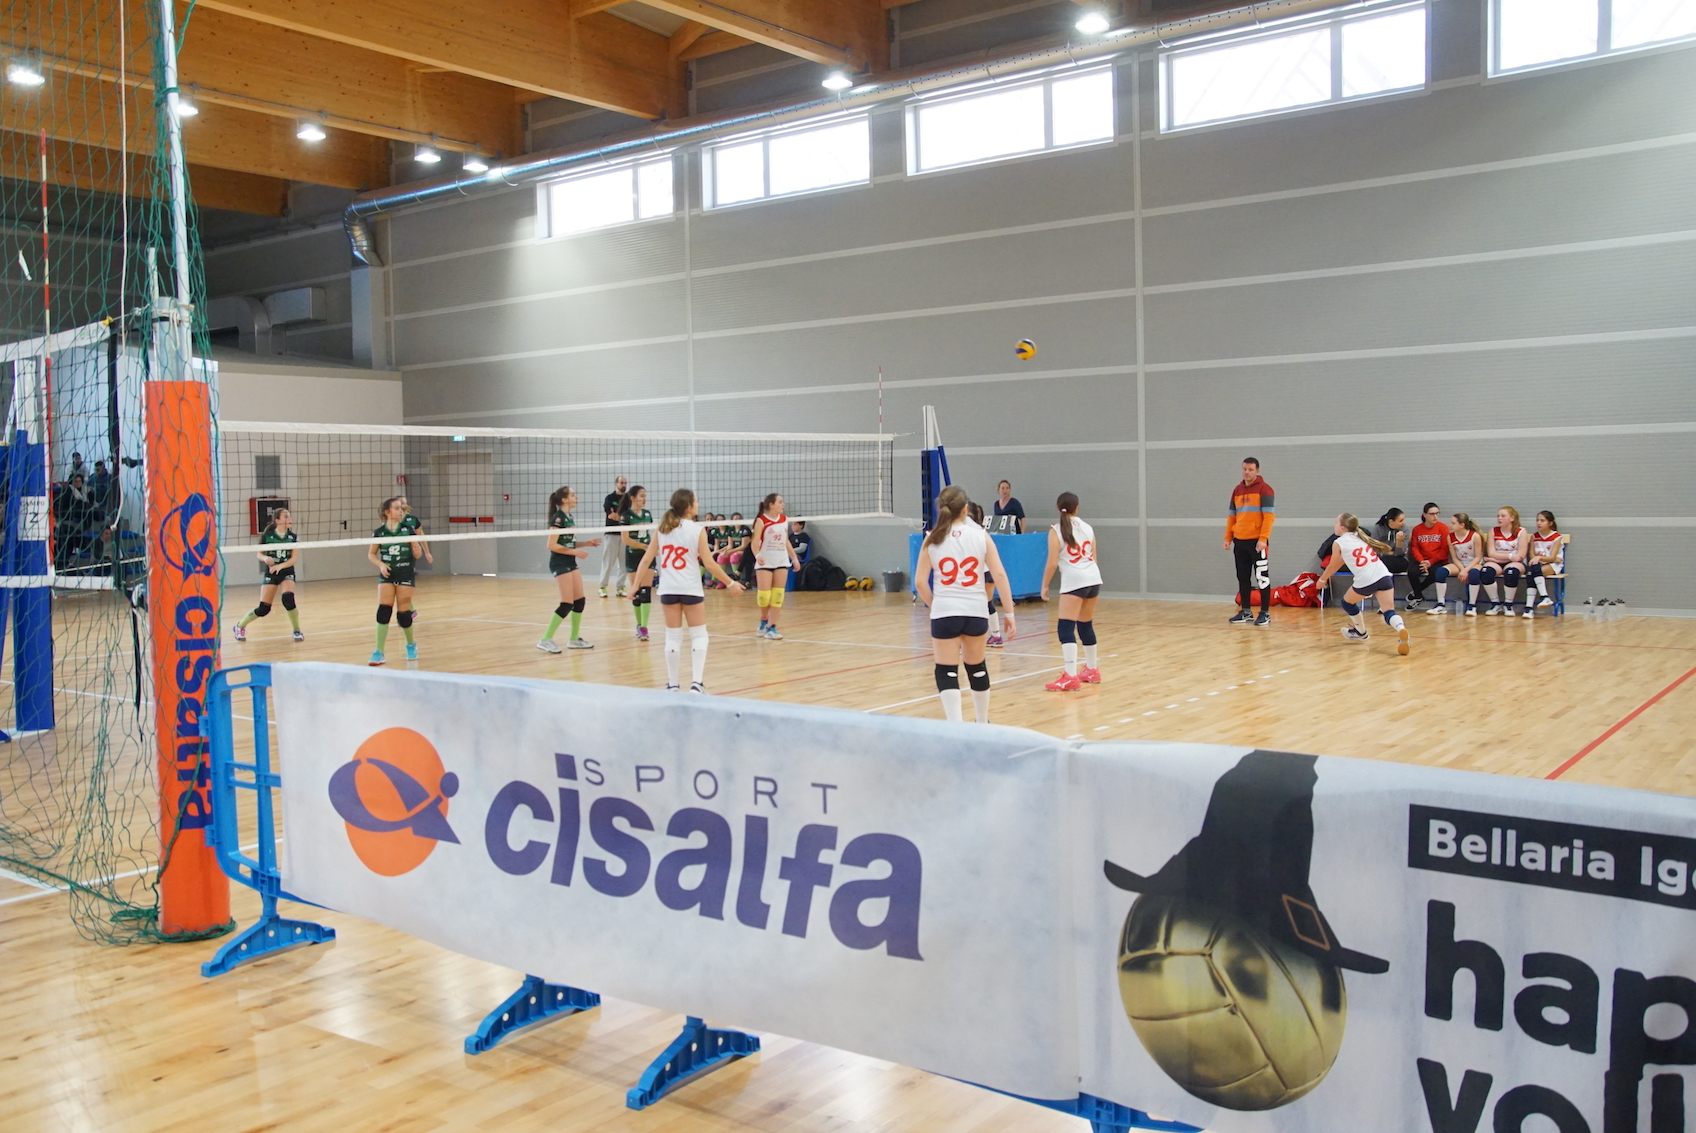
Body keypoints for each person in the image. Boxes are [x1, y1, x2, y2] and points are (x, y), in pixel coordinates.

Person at [915, 485, 1016, 723]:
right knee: (976, 667)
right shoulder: (980, 535)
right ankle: (982, 723)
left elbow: (920, 582)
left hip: (945, 612)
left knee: (946, 670)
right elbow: (999, 575)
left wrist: (935, 605)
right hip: (975, 611)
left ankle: (956, 726)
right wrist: (1009, 613)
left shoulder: (932, 538)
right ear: (966, 509)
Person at [628, 489, 744, 693]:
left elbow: (646, 559)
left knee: (673, 637)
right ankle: (696, 684)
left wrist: (635, 585)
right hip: (690, 588)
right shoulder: (697, 530)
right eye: (696, 502)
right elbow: (709, 563)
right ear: (689, 507)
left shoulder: (662, 529)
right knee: (699, 635)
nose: (698, 504)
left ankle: (673, 685)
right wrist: (730, 582)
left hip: (668, 589)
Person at [1315, 513, 1410, 656]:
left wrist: (1322, 580)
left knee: (1347, 602)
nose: (1334, 525)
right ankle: (1401, 629)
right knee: (1389, 611)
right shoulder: (1360, 536)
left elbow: (1332, 565)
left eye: (1336, 522)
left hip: (1366, 579)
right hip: (1383, 575)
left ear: (1343, 527)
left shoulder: (1339, 542)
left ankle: (1361, 632)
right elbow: (1341, 561)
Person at [1040, 492, 1103, 691]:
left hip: (1075, 580)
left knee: (1065, 628)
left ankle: (1070, 676)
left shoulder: (1055, 530)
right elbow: (1093, 557)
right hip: (1093, 578)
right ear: (1077, 508)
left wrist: (1044, 585)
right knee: (1085, 624)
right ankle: (1092, 669)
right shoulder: (1088, 528)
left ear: (1058, 507)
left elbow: (1052, 563)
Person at [367, 496, 431, 665]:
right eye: (396, 508)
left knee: (403, 613)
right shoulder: (379, 532)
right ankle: (379, 652)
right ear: (387, 512)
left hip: (405, 574)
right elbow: (371, 554)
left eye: (401, 509)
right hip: (388, 575)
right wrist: (381, 565)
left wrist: (417, 550)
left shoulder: (408, 530)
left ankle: (410, 645)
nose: (400, 511)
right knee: (383, 611)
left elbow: (417, 554)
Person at [537, 487, 601, 653]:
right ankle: (545, 639)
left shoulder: (569, 517)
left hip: (570, 562)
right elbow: (551, 545)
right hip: (560, 563)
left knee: (579, 601)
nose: (576, 497)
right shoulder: (558, 519)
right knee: (566, 604)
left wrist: (586, 543)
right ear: (564, 499)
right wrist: (575, 552)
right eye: (573, 495)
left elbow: (568, 543)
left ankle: (574, 639)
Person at [233, 508, 302, 642]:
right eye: (286, 517)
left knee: (288, 599)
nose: (290, 519)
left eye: (290, 516)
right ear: (277, 520)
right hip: (271, 573)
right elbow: (259, 553)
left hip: (286, 571)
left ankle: (297, 631)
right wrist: (265, 558)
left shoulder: (293, 537)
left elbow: (294, 559)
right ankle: (239, 626)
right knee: (264, 608)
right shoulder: (267, 536)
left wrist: (280, 566)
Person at [1224, 457, 1274, 625]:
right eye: (1245, 469)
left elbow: (1268, 517)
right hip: (1240, 541)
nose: (1247, 472)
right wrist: (1228, 538)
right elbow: (1232, 516)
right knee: (1243, 578)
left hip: (1257, 543)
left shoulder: (1265, 489)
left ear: (1257, 471)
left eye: (1251, 469)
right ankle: (1245, 611)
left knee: (1262, 578)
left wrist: (1263, 539)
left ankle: (1265, 613)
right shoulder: (1237, 490)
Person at [750, 493, 801, 640]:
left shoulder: (784, 519)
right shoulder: (761, 521)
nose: (783, 505)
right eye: (780, 502)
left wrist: (794, 558)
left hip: (781, 560)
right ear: (771, 505)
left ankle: (771, 627)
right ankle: (764, 619)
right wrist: (757, 555)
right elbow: (754, 542)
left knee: (778, 595)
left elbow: (785, 540)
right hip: (765, 561)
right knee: (764, 597)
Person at [1370, 508, 1427, 608]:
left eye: (1403, 520)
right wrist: (1389, 552)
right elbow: (1374, 549)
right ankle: (1386, 603)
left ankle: (1383, 600)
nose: (1403, 523)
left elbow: (1400, 553)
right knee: (1382, 566)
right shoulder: (1378, 528)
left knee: (1381, 566)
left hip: (1401, 560)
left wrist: (1399, 542)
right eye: (1400, 521)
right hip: (1383, 559)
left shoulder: (1404, 530)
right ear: (1391, 521)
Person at [1479, 506, 1530, 616]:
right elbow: (1491, 552)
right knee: (1486, 571)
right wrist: (1510, 556)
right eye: (1498, 516)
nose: (1499, 518)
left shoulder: (1521, 532)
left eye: (1503, 516)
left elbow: (1520, 555)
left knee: (1511, 572)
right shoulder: (1493, 531)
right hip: (1498, 562)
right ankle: (1495, 604)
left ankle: (1508, 604)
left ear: (1512, 518)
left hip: (1515, 563)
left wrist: (1499, 557)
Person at [620, 486, 654, 640]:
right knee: (637, 593)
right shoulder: (626, 516)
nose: (644, 498)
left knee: (646, 591)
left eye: (645, 496)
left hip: (647, 555)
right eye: (641, 496)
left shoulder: (647, 514)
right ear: (632, 498)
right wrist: (644, 546)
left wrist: (651, 548)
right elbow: (626, 540)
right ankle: (639, 625)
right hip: (633, 555)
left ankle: (645, 628)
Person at [1438, 512, 1486, 616]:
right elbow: (1454, 557)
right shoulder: (1450, 537)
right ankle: (1440, 605)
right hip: (1460, 563)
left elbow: (1478, 557)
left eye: (1453, 523)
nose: (1450, 525)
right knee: (1440, 572)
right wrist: (1462, 569)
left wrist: (1466, 570)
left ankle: (1472, 606)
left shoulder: (1475, 536)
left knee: (1474, 573)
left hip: (1474, 563)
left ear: (1462, 525)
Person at [1407, 503, 1450, 612]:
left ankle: (1417, 591)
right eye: (1432, 514)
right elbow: (1414, 547)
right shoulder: (1417, 529)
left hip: (1437, 559)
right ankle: (1418, 596)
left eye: (1437, 513)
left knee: (1436, 572)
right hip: (1422, 559)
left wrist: (1430, 562)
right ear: (1424, 514)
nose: (1435, 516)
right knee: (1412, 571)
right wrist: (1422, 561)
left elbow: (1444, 549)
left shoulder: (1443, 528)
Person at [1524, 510, 1563, 619]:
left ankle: (1530, 607)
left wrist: (1540, 558)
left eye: (1542, 521)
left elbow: (1553, 558)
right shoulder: (1534, 536)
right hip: (1538, 564)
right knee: (1531, 572)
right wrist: (1537, 559)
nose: (1539, 523)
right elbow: (1532, 555)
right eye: (1537, 520)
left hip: (1553, 564)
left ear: (1550, 523)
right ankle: (1542, 599)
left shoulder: (1557, 537)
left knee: (1534, 571)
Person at [598, 476, 629, 599]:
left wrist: (621, 518)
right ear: (616, 484)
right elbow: (611, 516)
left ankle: (620, 588)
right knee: (608, 562)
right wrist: (624, 519)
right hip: (611, 534)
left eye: (625, 483)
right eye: (621, 482)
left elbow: (629, 516)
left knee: (624, 563)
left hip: (625, 534)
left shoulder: (628, 499)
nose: (624, 484)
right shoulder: (610, 498)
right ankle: (602, 587)